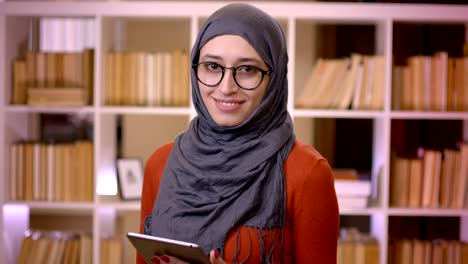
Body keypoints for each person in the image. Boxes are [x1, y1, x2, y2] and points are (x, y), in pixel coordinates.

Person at [137, 3, 339, 264]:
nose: (226, 87)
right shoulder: (160, 164)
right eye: (212, 66)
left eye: (247, 70)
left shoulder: (307, 173)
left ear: (275, 78)